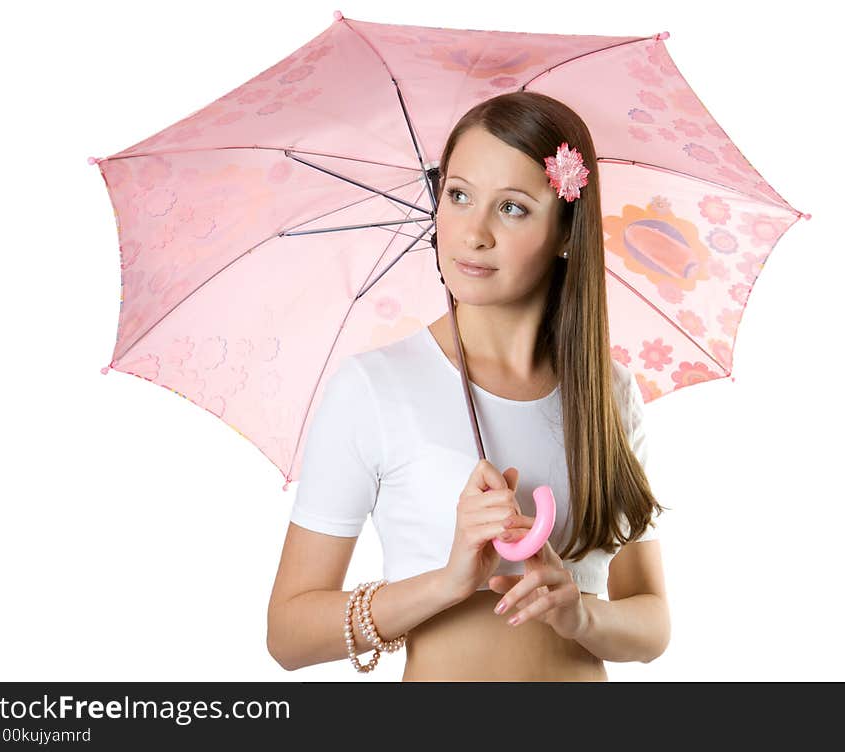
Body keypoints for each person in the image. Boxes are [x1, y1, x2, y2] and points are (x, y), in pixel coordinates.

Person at [267, 91, 671, 681]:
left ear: (566, 230)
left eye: (512, 208)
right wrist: (449, 581)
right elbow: (289, 635)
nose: (473, 232)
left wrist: (577, 614)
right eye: (458, 195)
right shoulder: (374, 388)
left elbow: (653, 623)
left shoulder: (606, 393)